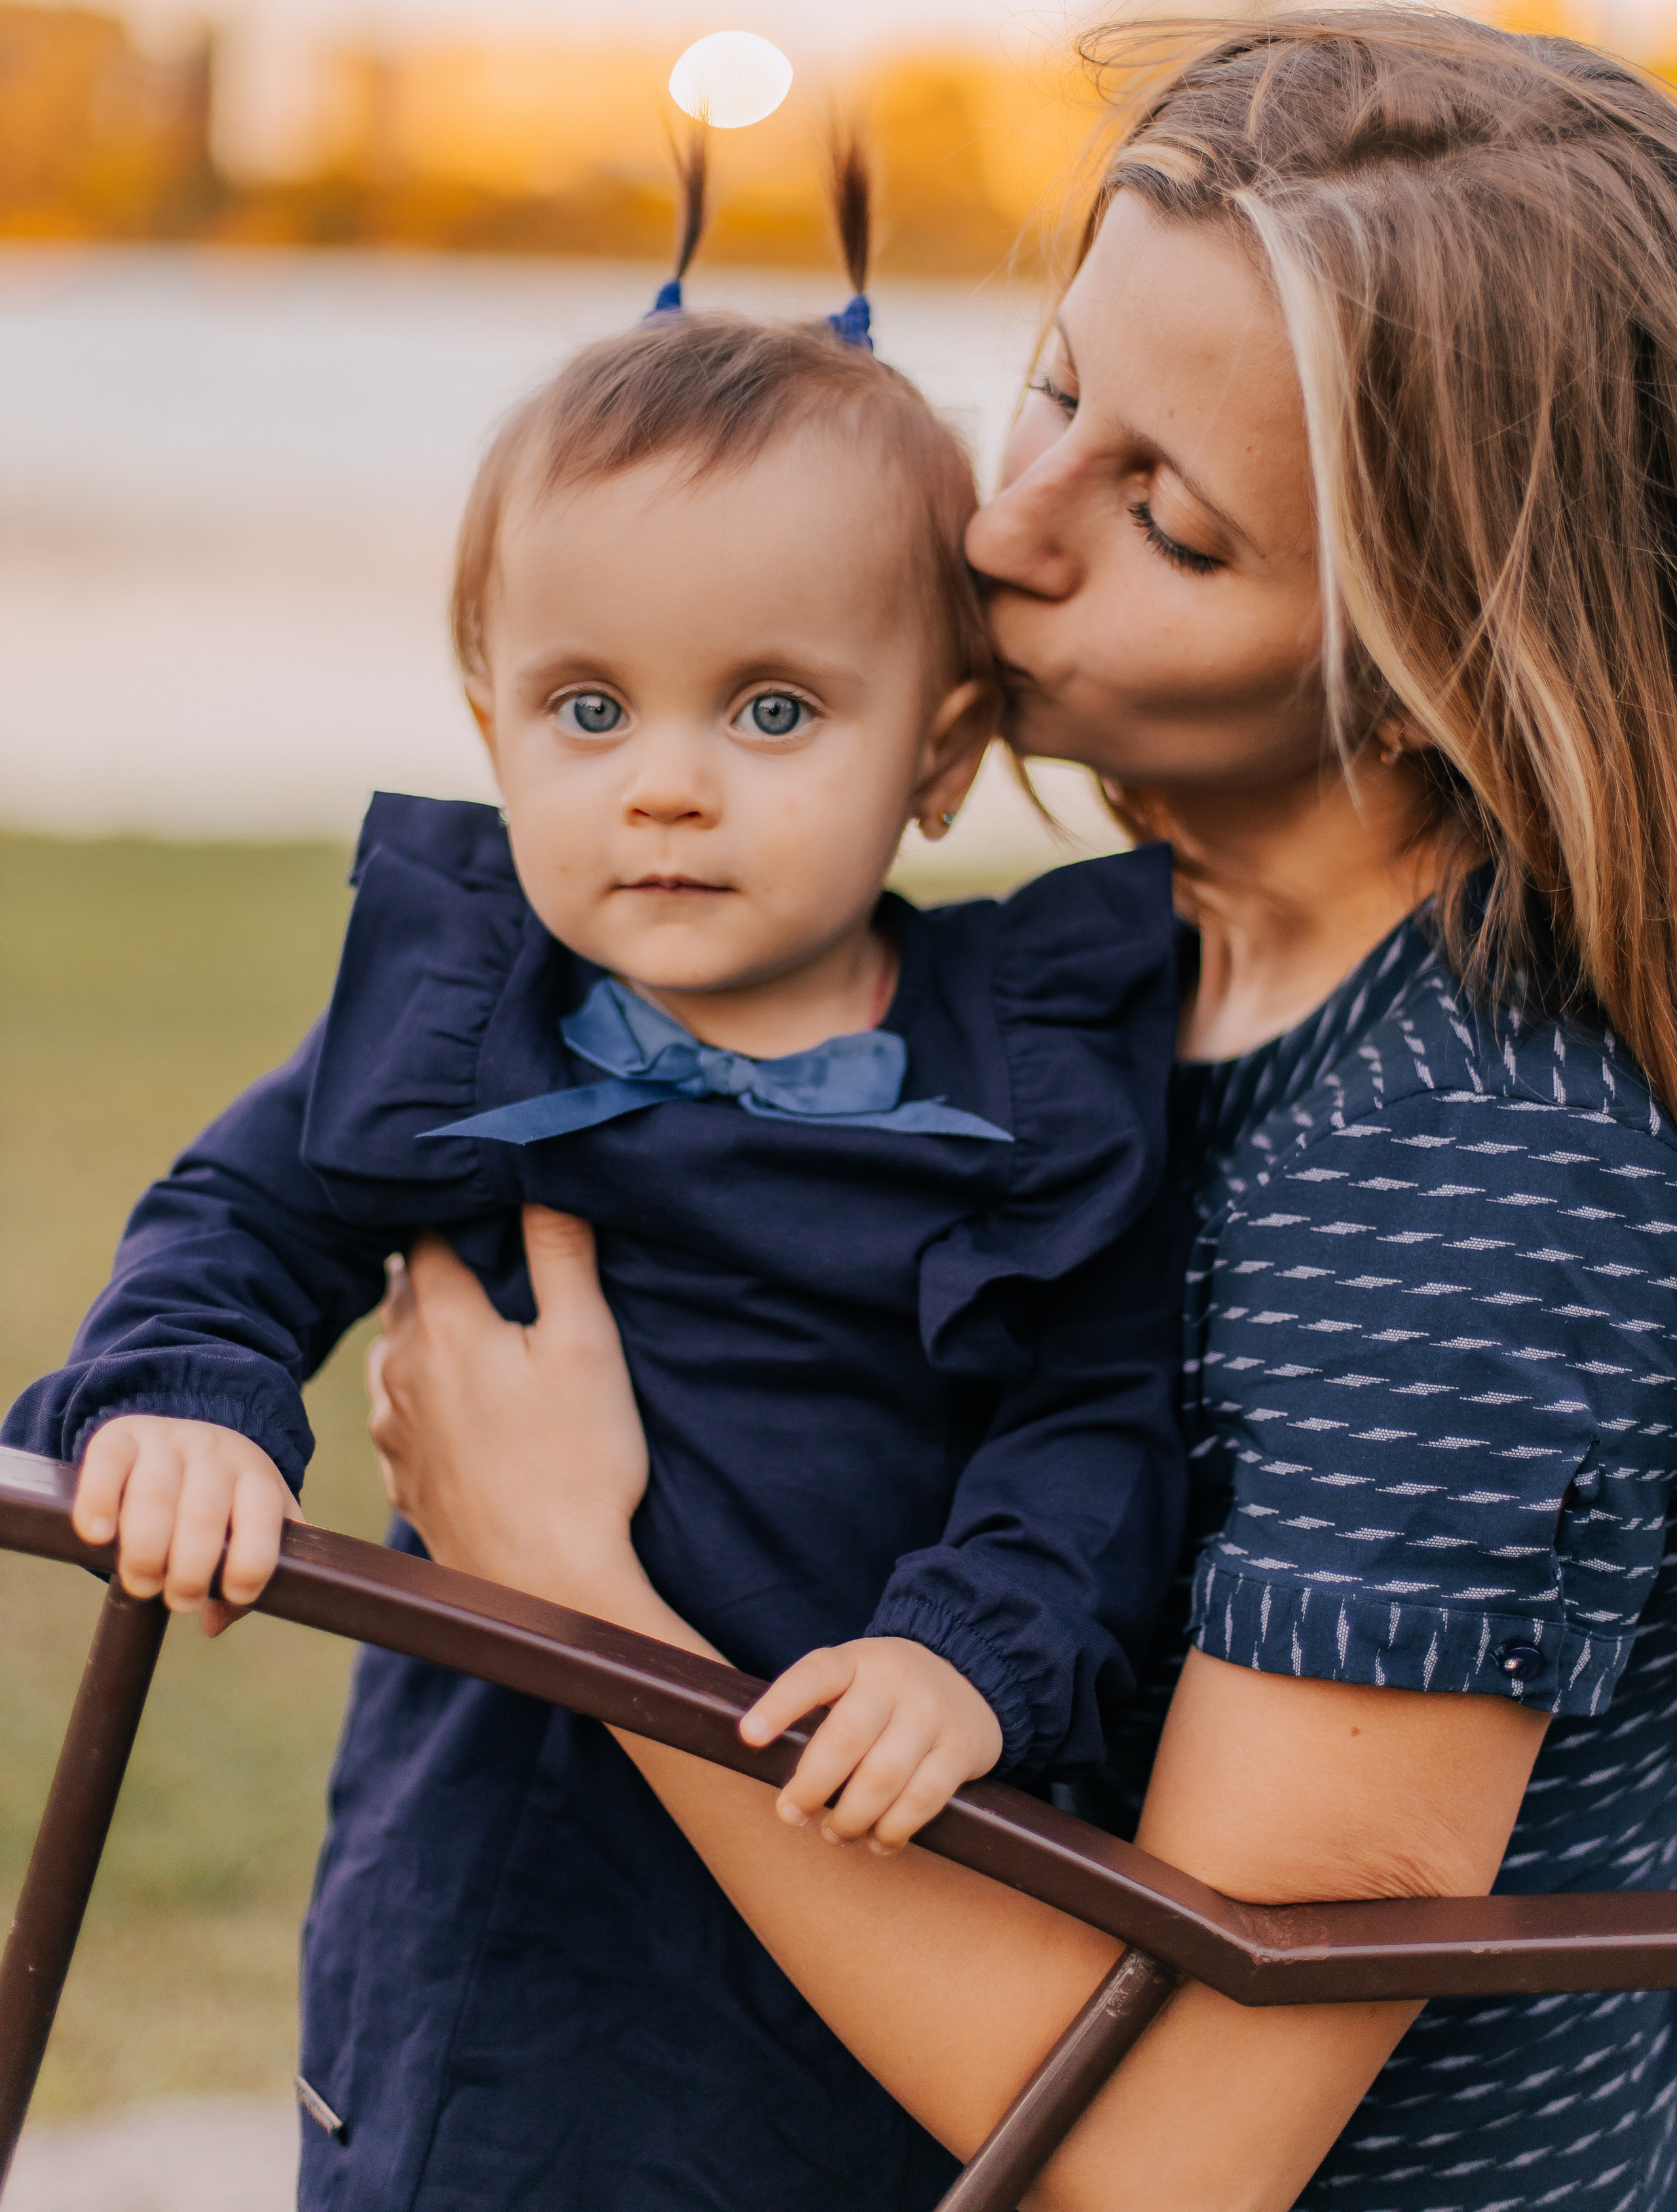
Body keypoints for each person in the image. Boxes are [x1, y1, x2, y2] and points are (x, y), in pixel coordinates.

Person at [364, 9, 1677, 2212]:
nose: (1004, 524)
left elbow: (1171, 2156)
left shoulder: (1464, 1175)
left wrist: (571, 1591)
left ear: (1433, 665)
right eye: (1058, 392)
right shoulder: (1121, 975)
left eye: (1167, 519)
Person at [2, 157, 1190, 2212]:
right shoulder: (467, 1028)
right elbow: (240, 1219)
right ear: (495, 726)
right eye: (587, 708)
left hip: (862, 1869)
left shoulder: (1023, 1086)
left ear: (938, 754)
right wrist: (188, 1402)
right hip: (504, 1879)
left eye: (773, 709)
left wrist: (970, 1652)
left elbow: (1099, 1420)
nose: (665, 782)